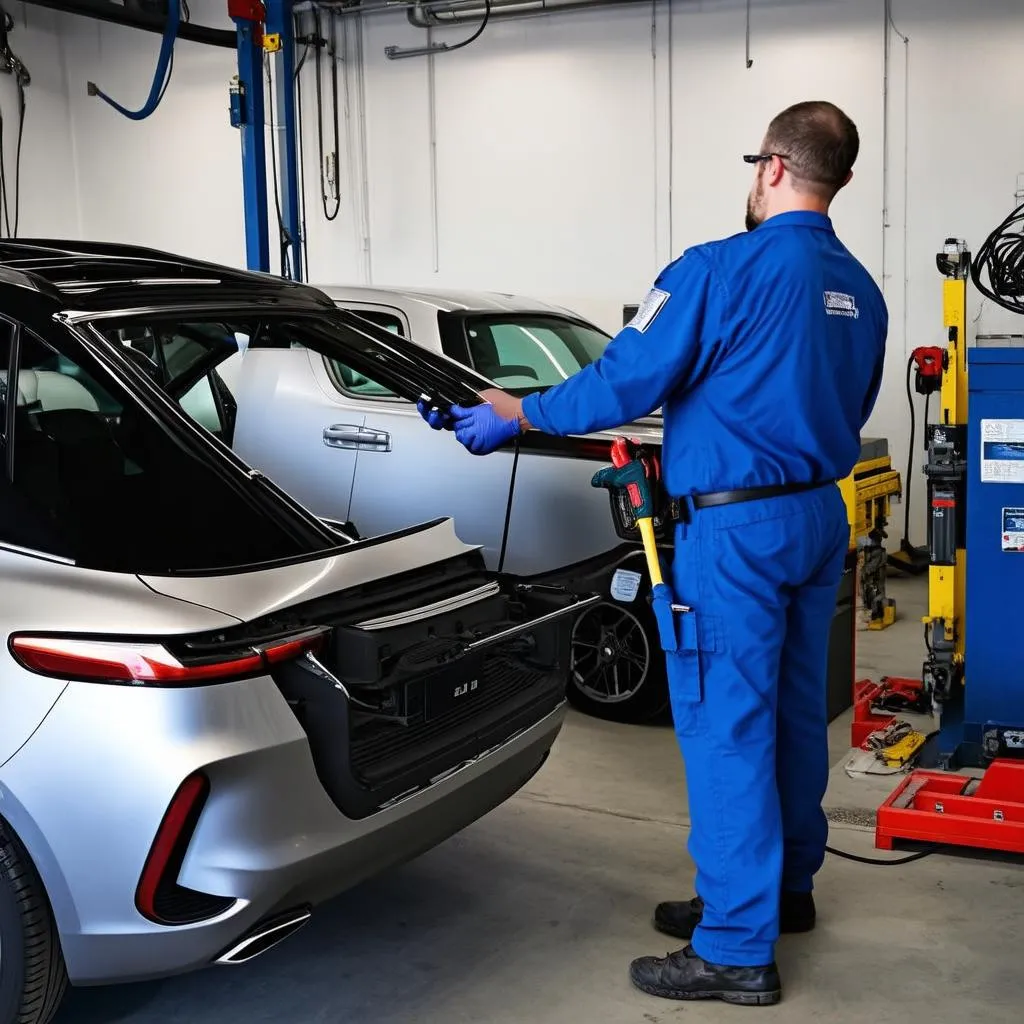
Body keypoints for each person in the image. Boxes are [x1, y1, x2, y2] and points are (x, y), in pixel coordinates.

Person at [418, 100, 888, 1006]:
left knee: (724, 723)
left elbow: (624, 379)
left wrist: (520, 411)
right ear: (843, 181)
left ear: (770, 169)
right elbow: (856, 401)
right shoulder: (859, 290)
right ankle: (779, 893)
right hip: (818, 519)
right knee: (794, 716)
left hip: (738, 532)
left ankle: (735, 947)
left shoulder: (716, 269)